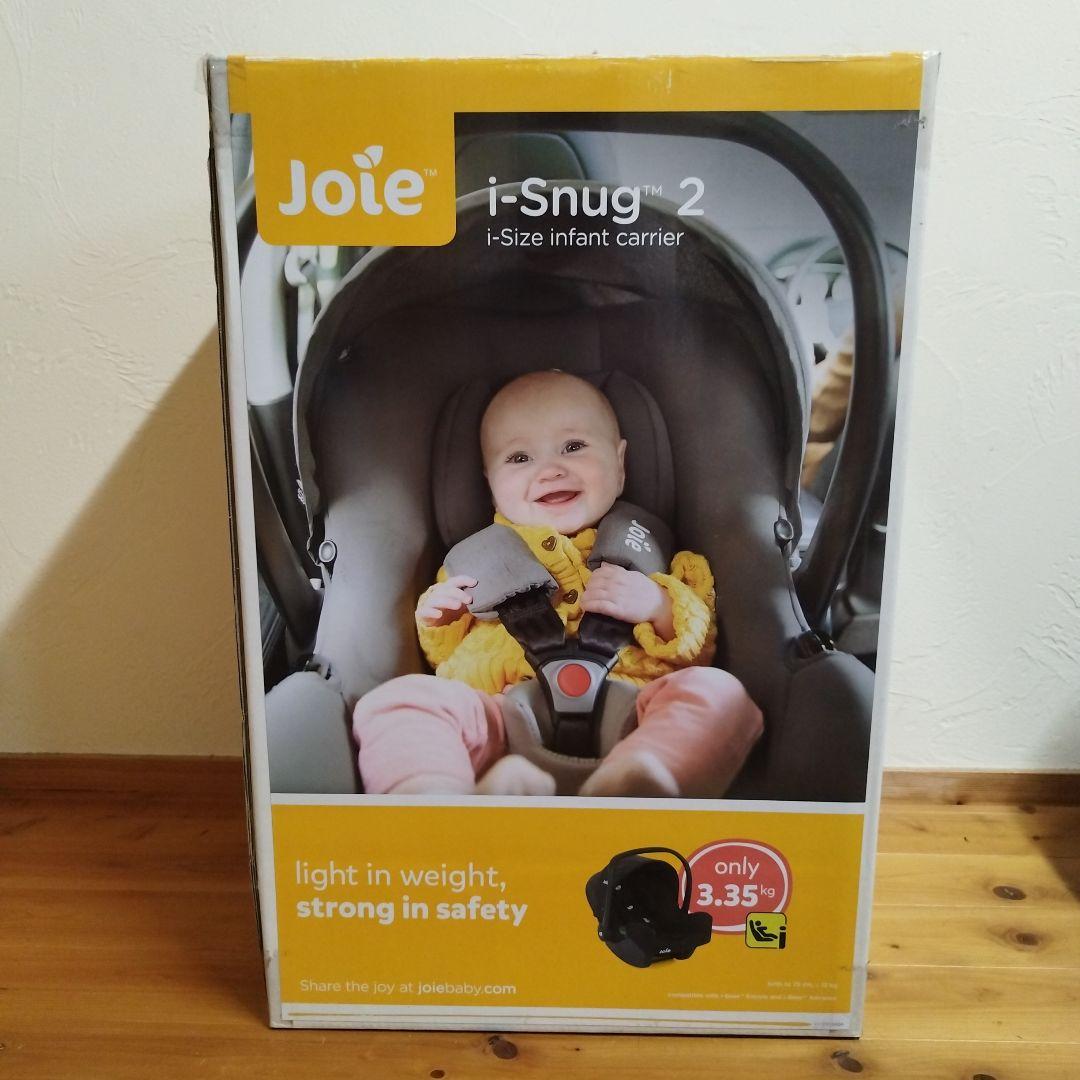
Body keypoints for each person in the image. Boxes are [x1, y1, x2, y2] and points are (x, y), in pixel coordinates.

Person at [353, 371, 762, 797]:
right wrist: (438, 618)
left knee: (722, 694)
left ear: (619, 465)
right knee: (399, 700)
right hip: (501, 722)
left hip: (634, 717)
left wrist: (659, 605)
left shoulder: (655, 554)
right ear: (490, 486)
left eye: (573, 446)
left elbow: (700, 646)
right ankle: (435, 799)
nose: (550, 470)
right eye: (519, 458)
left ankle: (643, 782)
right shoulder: (475, 562)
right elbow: (443, 655)